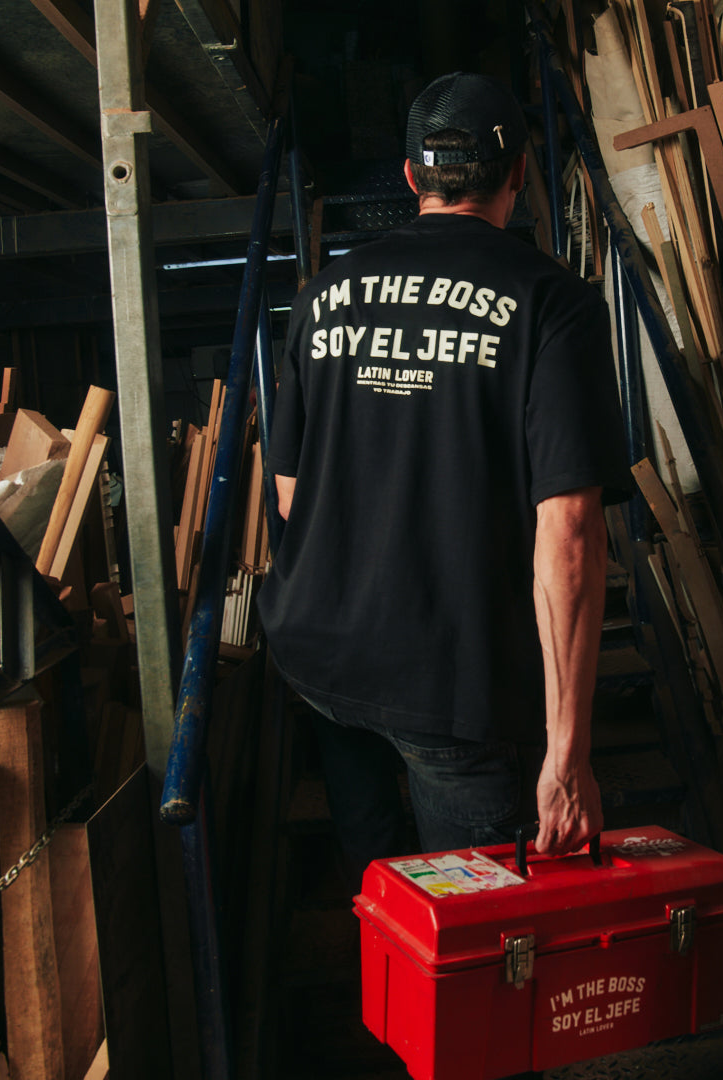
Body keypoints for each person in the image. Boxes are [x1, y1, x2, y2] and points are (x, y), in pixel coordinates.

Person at [257, 71, 630, 886]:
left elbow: (289, 496)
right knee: (479, 941)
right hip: (453, 682)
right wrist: (567, 759)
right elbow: (568, 535)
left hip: (322, 659)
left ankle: (377, 1012)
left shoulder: (322, 299)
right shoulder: (551, 303)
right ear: (520, 176)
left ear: (409, 179)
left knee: (382, 898)